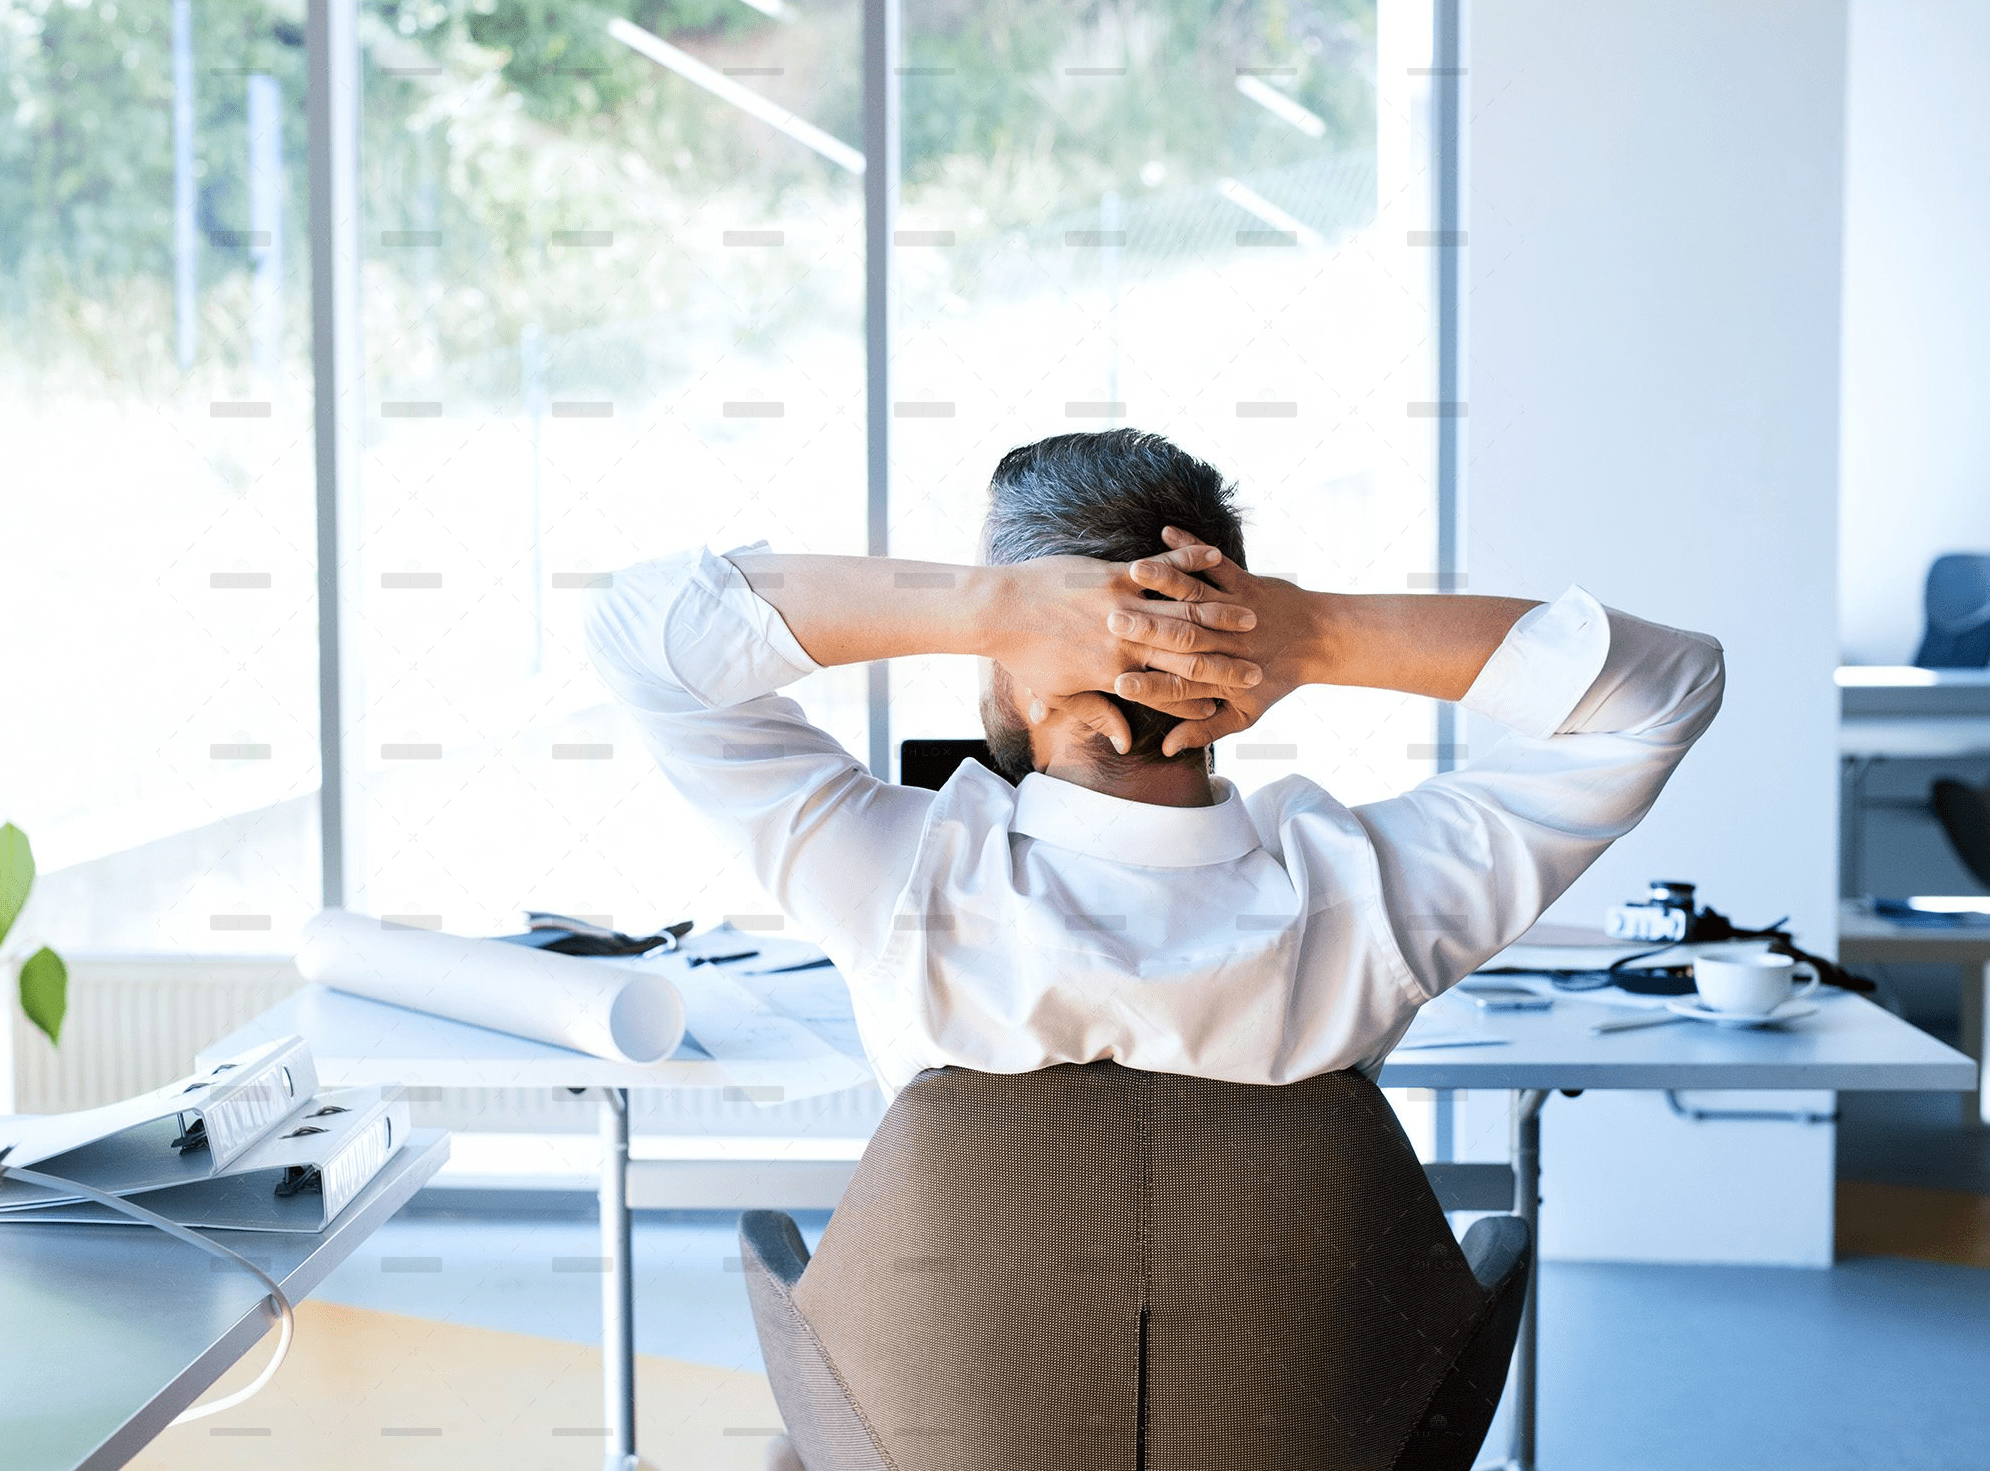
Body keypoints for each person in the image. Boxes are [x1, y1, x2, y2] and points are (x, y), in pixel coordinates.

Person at [584, 427, 1725, 1096]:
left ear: (1019, 663)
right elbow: (1666, 688)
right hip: (1288, 1469)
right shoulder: (1377, 899)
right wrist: (1313, 631)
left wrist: (982, 606)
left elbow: (642, 632)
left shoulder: (896, 886)